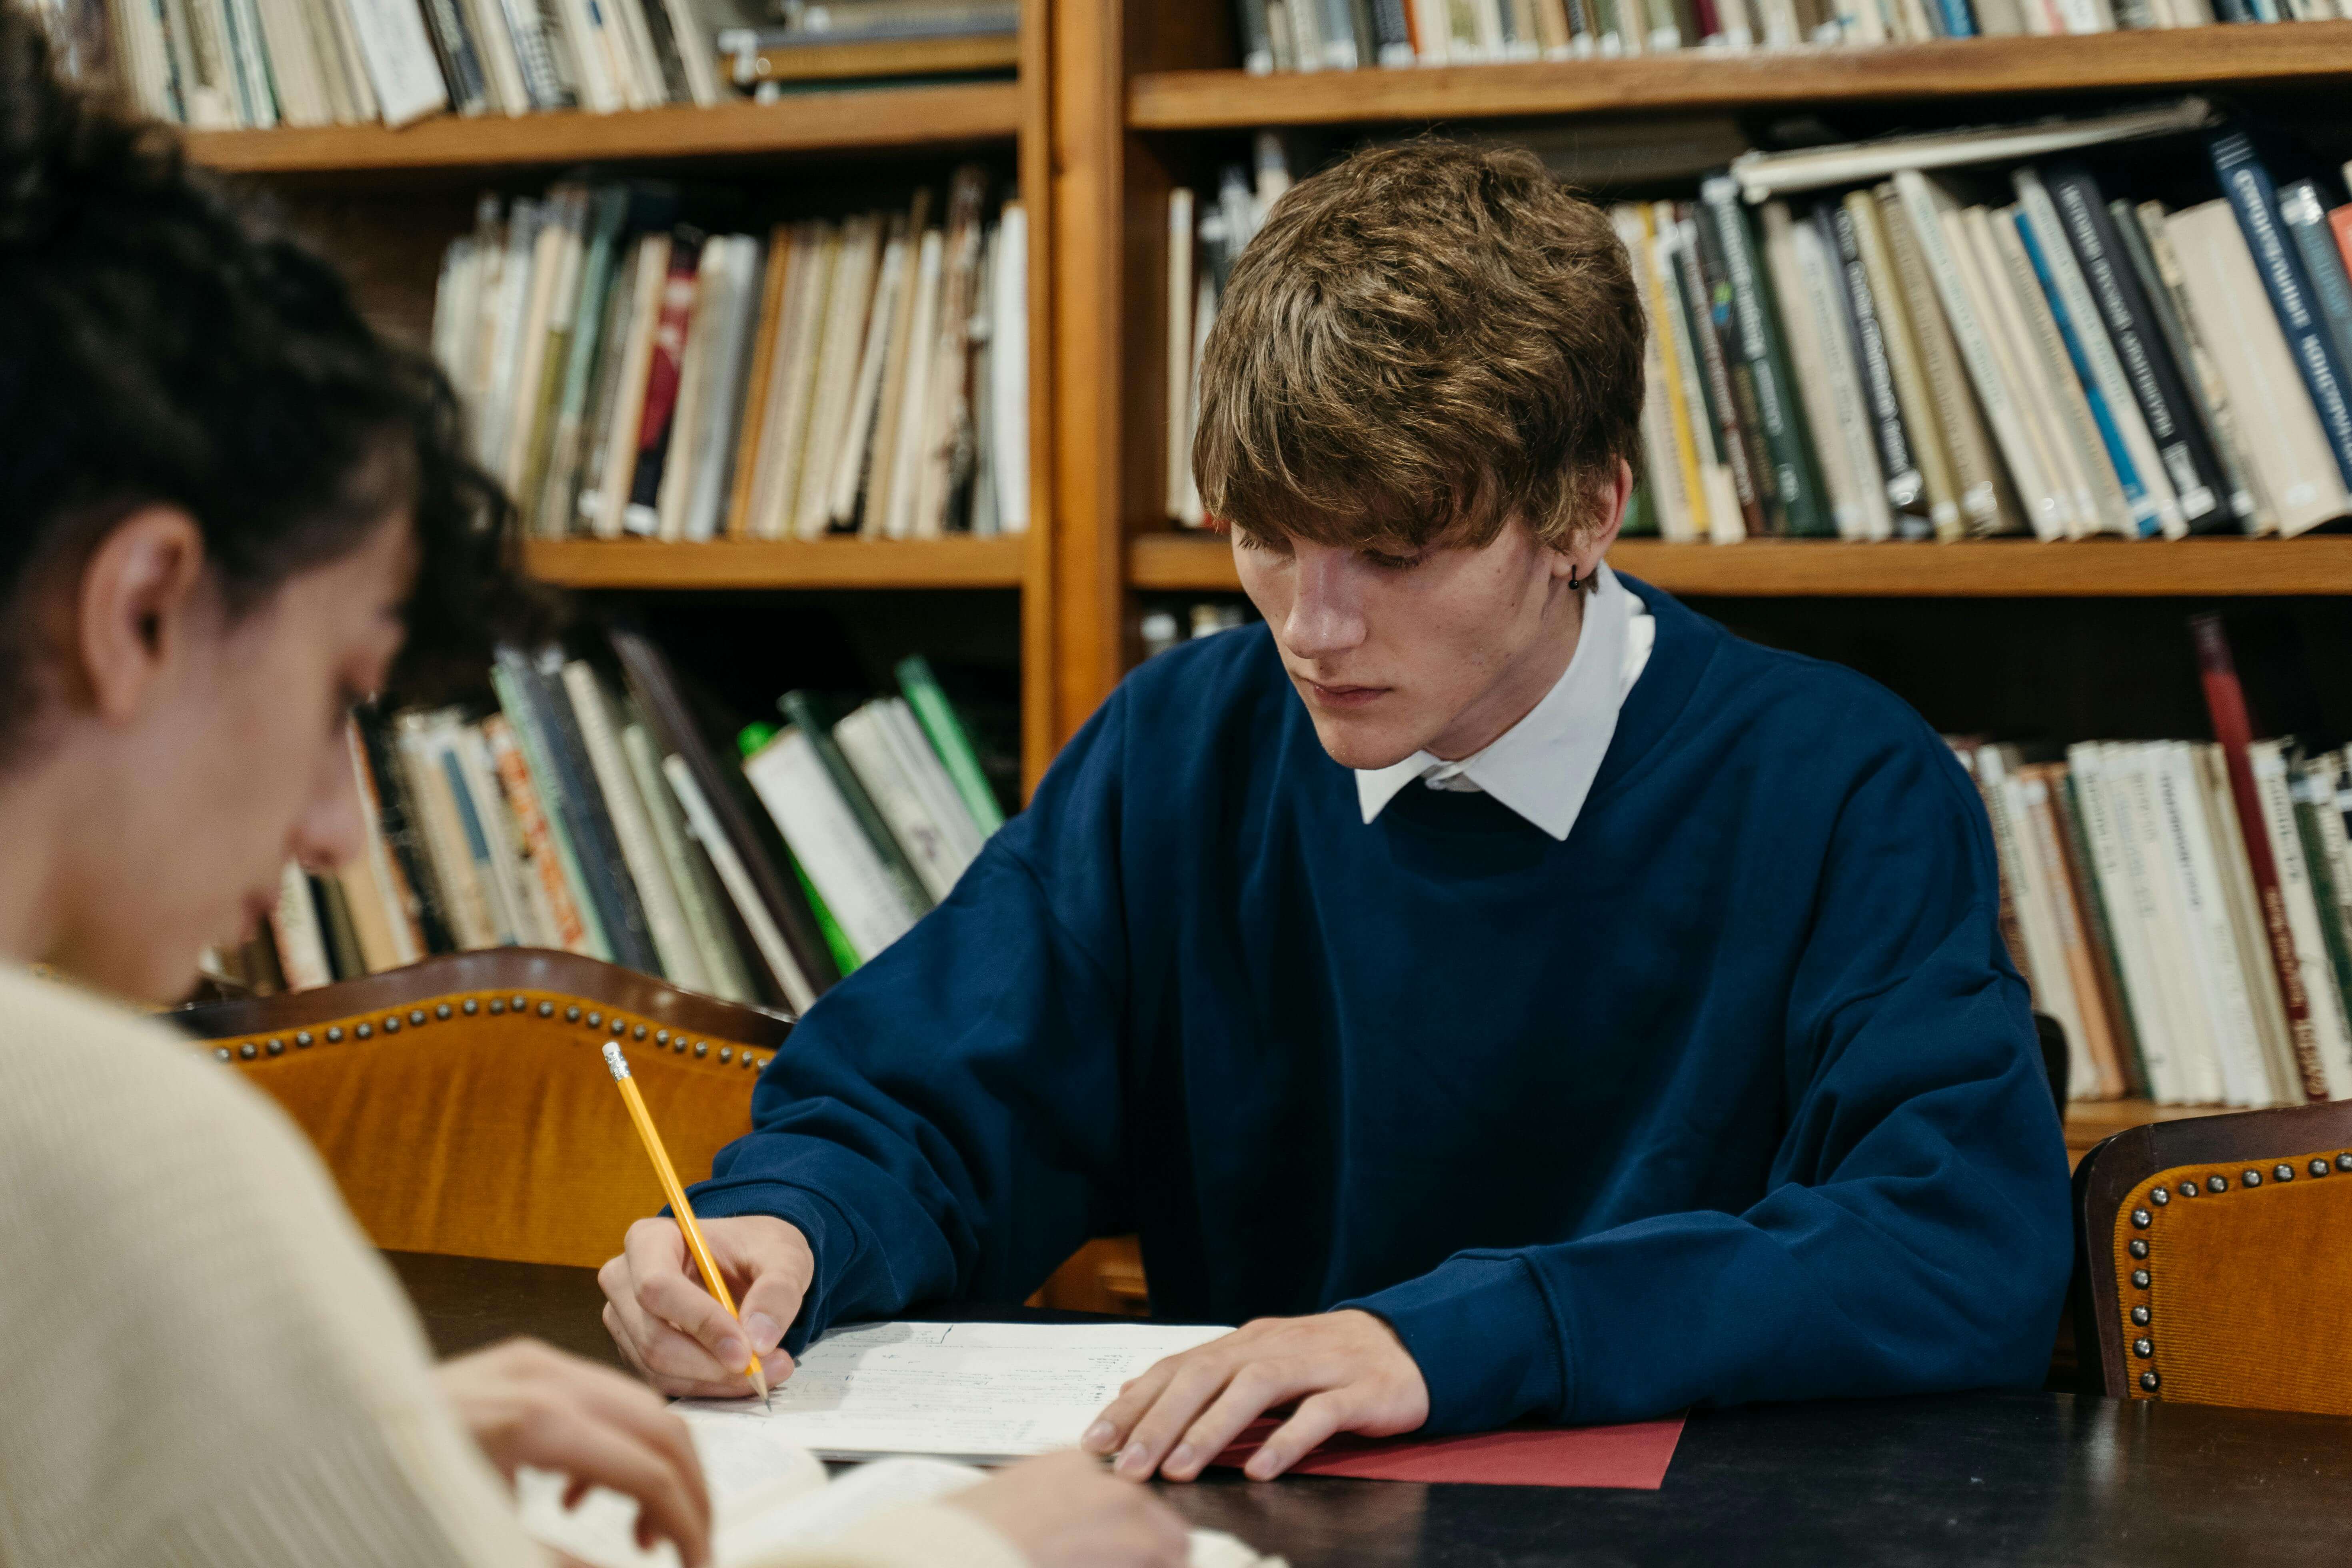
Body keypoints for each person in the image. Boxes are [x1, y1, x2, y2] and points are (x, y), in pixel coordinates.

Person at [601, 135, 2077, 1481]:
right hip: (1261, 1521)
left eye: (1391, 550)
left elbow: (1949, 1245)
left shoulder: (1839, 783)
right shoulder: (1183, 743)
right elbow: (929, 1096)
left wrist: (1451, 1339)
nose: (1310, 627)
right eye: (1263, 538)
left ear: (1582, 511)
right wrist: (784, 1229)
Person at [0, 14, 1187, 1566]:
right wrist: (984, 1551)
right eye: (335, 694)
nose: (339, 829)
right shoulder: (110, 1149)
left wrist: (307, 1473)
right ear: (143, 609)